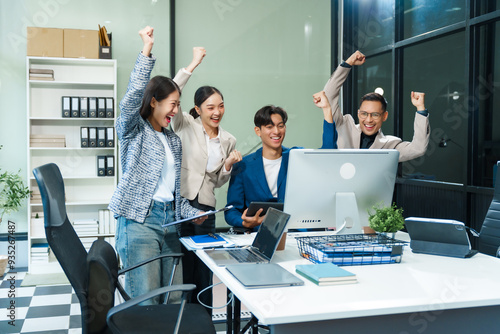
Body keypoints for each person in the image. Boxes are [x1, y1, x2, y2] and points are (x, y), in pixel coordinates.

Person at [108, 26, 206, 305]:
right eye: (172, 105)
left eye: (178, 105)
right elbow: (131, 98)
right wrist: (146, 50)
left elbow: (171, 194)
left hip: (170, 223)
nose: (176, 111)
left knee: (175, 299)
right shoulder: (133, 129)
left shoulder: (172, 141)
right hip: (140, 223)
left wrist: (192, 212)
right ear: (153, 102)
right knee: (146, 301)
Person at [170, 48, 242, 312]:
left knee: (205, 268)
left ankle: (204, 319)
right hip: (180, 205)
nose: (217, 112)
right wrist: (193, 64)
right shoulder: (184, 124)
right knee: (182, 265)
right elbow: (171, 92)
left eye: (220, 106)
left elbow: (218, 181)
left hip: (206, 208)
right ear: (198, 109)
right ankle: (182, 317)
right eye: (210, 107)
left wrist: (228, 166)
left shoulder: (228, 139)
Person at [225, 91, 337, 231]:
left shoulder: (297, 156)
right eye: (269, 127)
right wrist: (244, 222)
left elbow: (328, 154)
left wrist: (327, 110)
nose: (276, 132)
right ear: (258, 131)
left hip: (296, 233)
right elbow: (231, 210)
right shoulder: (243, 166)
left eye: (280, 125)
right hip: (258, 235)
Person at [321, 50, 430, 162]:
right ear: (358, 113)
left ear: (384, 116)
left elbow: (418, 149)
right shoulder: (343, 126)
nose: (369, 120)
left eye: (375, 115)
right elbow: (328, 96)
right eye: (364, 114)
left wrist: (420, 108)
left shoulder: (391, 145)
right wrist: (348, 64)